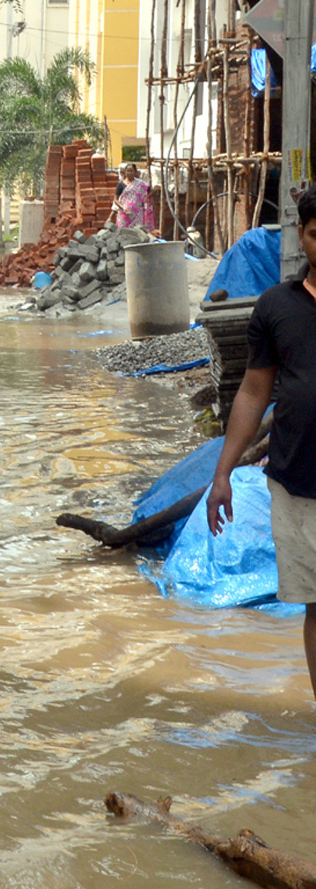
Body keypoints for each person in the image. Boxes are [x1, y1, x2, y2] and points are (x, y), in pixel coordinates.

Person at [206, 184, 316, 701]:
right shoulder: (277, 306)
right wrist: (223, 473)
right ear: (301, 236)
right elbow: (253, 391)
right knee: (315, 605)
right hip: (296, 483)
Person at [112, 164, 156, 231]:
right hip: (124, 214)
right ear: (125, 172)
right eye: (128, 171)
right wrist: (123, 207)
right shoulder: (120, 185)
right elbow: (116, 200)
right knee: (123, 233)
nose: (129, 173)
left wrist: (145, 199)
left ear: (135, 172)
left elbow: (152, 191)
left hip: (138, 214)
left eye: (131, 171)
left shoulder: (141, 184)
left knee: (137, 232)